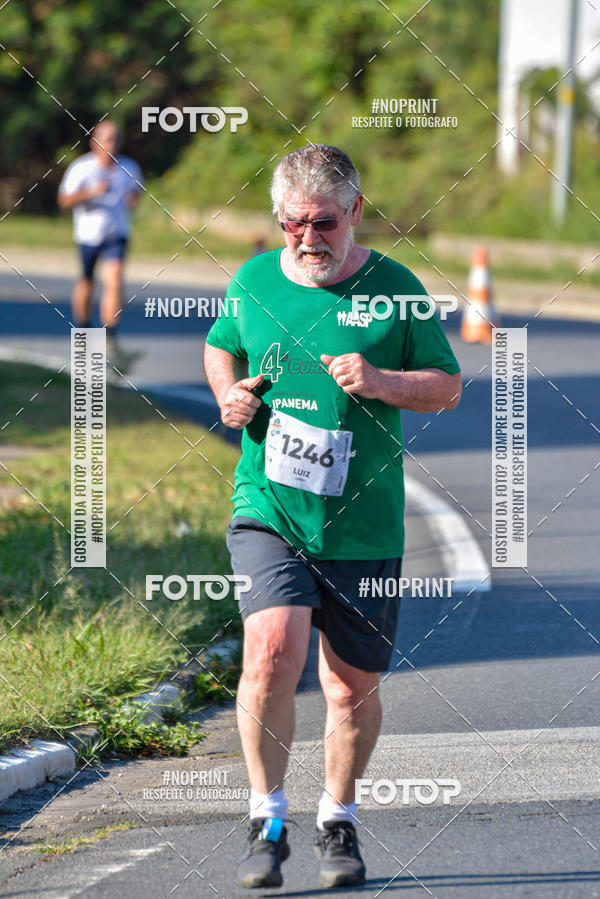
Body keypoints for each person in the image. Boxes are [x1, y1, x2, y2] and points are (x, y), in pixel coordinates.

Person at [204, 144, 461, 889]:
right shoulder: (253, 280)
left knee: (350, 689)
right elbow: (221, 349)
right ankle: (267, 815)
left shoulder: (396, 289)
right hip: (270, 507)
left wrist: (382, 380)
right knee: (271, 652)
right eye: (292, 225)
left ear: (355, 211)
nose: (308, 239)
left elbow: (446, 387)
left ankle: (338, 819)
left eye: (323, 222)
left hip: (364, 525)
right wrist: (230, 396)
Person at [58, 120, 143, 360]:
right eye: (106, 139)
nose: (111, 144)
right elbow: (64, 200)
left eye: (115, 138)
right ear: (95, 142)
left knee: (114, 279)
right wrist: (91, 192)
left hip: (116, 233)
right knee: (87, 283)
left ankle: (110, 335)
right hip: (88, 235)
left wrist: (132, 200)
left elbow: (136, 193)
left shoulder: (129, 167)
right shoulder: (81, 168)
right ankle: (84, 330)